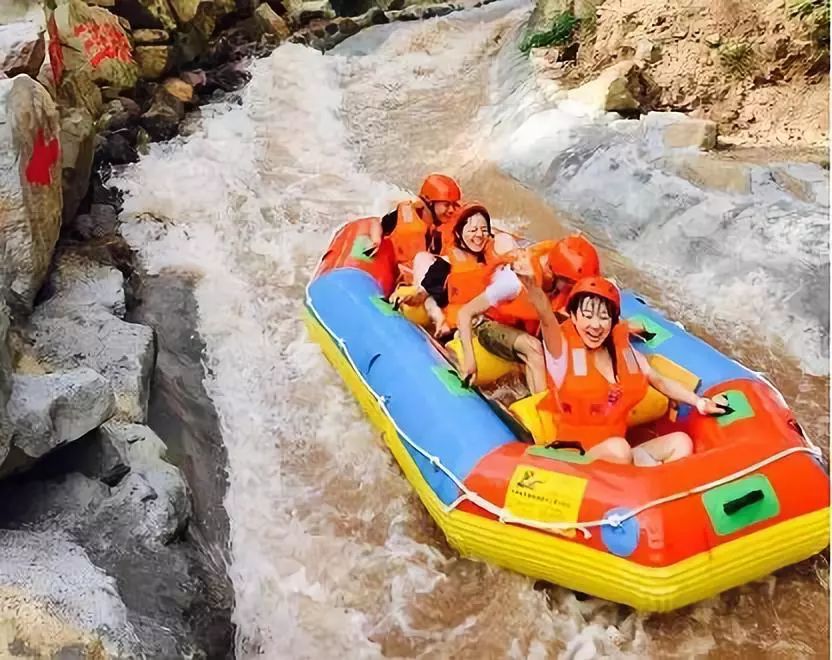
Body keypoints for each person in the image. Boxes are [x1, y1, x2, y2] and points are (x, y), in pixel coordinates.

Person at [516, 264, 726, 466]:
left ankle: (653, 493)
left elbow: (659, 381)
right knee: (620, 449)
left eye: (604, 317)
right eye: (587, 316)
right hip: (577, 460)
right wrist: (533, 286)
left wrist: (699, 402)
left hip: (619, 459)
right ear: (573, 317)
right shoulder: (560, 353)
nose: (595, 325)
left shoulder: (625, 353)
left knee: (680, 441)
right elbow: (546, 318)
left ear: (613, 322)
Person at [456, 235, 601, 394]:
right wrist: (470, 361)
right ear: (552, 272)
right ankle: (541, 408)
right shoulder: (513, 281)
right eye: (571, 284)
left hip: (524, 327)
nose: (572, 289)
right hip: (489, 325)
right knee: (534, 348)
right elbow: (465, 313)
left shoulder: (558, 278)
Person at [409, 202, 513, 337]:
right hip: (460, 324)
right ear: (459, 234)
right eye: (473, 230)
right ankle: (440, 323)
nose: (479, 235)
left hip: (493, 319)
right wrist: (412, 297)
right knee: (430, 299)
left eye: (484, 229)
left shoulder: (495, 253)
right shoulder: (446, 264)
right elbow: (426, 294)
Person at [367, 174, 462, 277]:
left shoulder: (449, 226)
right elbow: (376, 222)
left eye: (454, 205)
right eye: (447, 205)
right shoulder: (404, 215)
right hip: (403, 280)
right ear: (429, 202)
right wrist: (376, 239)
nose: (452, 210)